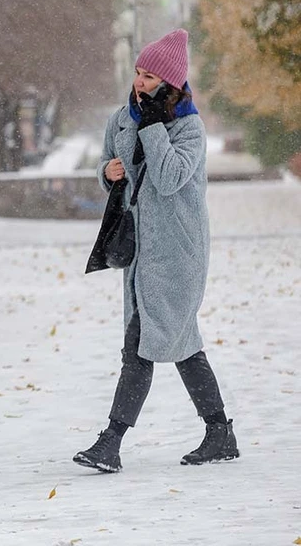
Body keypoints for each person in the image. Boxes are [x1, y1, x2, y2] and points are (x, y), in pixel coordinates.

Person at [73, 29, 239, 472]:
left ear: (170, 83)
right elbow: (112, 168)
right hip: (139, 251)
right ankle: (219, 432)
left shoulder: (189, 128)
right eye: (137, 72)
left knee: (141, 344)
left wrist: (152, 127)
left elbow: (167, 178)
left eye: (149, 75)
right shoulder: (122, 118)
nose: (140, 81)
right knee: (181, 344)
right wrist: (106, 173)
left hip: (179, 252)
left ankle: (111, 441)